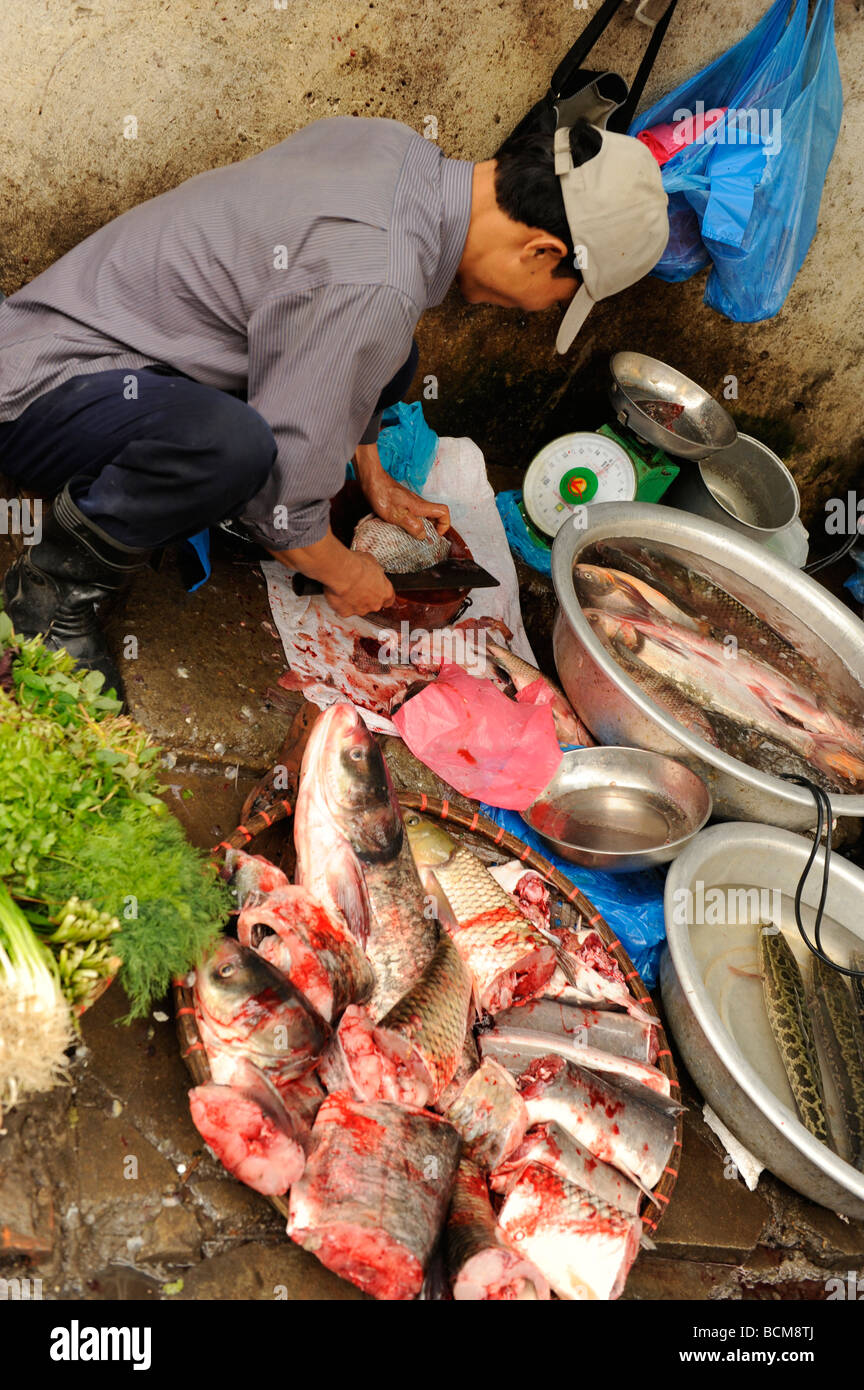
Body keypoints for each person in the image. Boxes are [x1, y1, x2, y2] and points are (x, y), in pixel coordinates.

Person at [0, 109, 667, 692]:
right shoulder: (377, 278)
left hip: (113, 340)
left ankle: (187, 486)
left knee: (390, 349)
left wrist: (369, 469)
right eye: (560, 295)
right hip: (44, 386)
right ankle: (53, 594)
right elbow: (287, 501)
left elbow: (322, 327)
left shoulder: (395, 151)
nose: (540, 310)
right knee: (230, 449)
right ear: (541, 251)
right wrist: (343, 570)